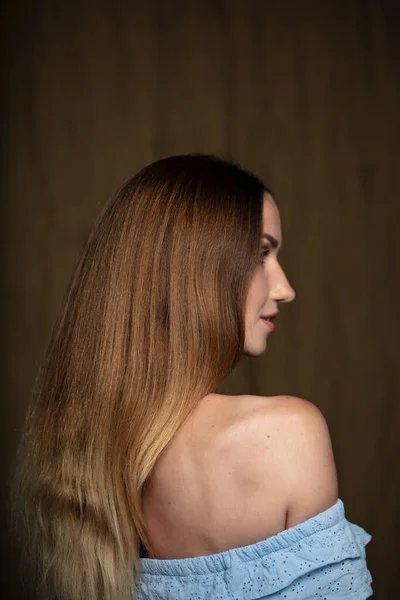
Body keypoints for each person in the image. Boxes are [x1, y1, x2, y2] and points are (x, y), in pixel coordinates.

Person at [10, 154, 373, 600]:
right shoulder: (288, 432)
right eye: (262, 253)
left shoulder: (81, 457)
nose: (285, 288)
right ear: (194, 268)